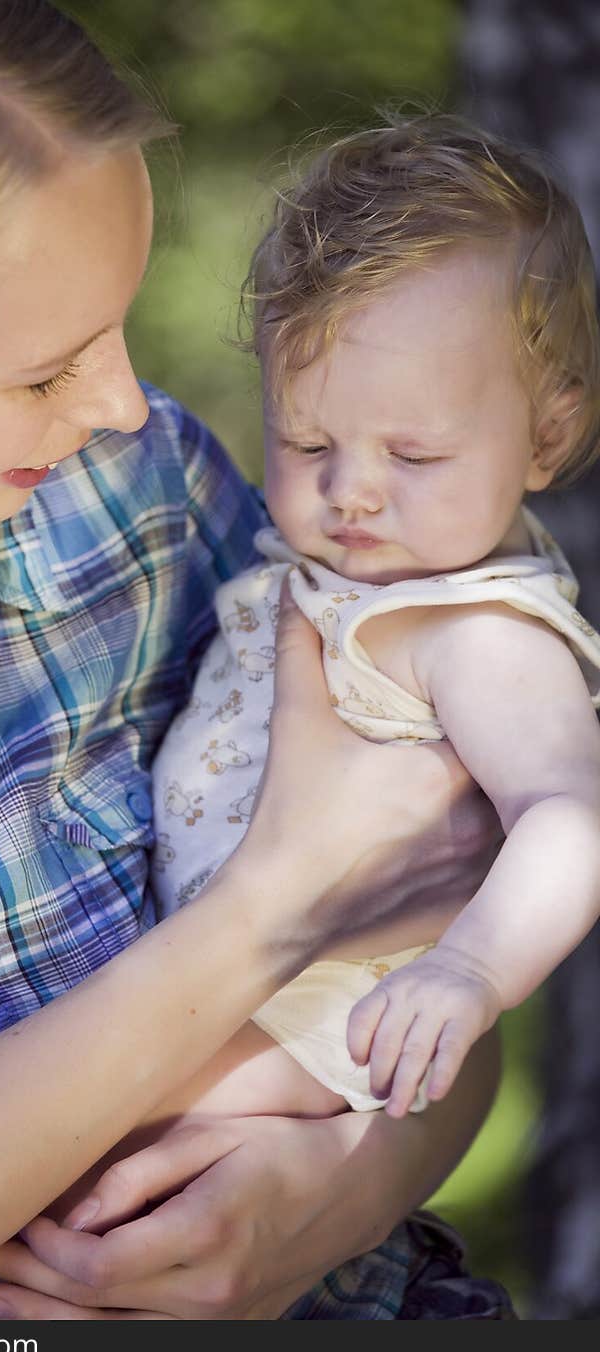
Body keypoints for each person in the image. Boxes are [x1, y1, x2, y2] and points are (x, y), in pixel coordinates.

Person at [0, 3, 508, 1322]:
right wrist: (265, 911)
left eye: (117, 328)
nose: (121, 403)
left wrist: (329, 1194)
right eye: (43, 372)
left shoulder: (141, 498)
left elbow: (445, 962)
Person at [144, 114, 600, 1133]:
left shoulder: (479, 632)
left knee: (91, 1135)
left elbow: (570, 818)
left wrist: (470, 970)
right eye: (305, 441)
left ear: (549, 434)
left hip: (330, 1015)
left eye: (413, 456)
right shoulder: (340, 574)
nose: (350, 491)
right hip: (215, 978)